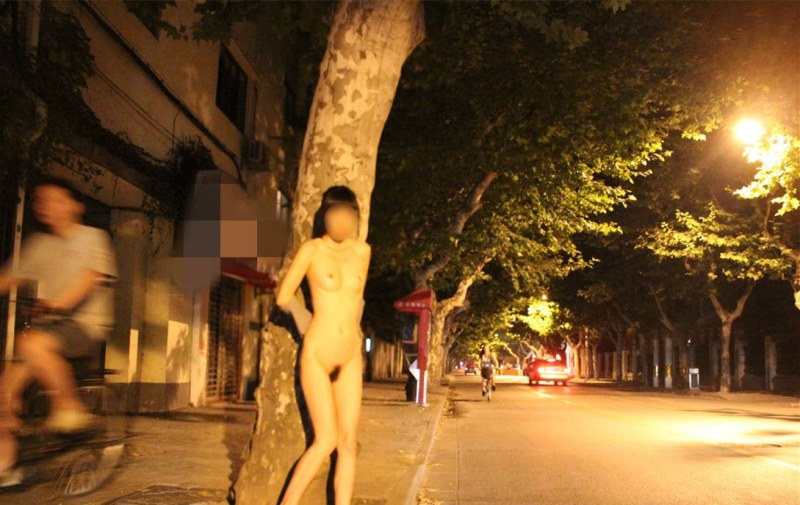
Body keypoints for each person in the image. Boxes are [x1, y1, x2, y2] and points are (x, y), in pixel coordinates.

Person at [0, 176, 118, 487]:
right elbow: (9, 278)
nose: (46, 206)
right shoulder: (39, 245)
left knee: (31, 342)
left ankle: (70, 410)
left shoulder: (93, 238)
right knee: (4, 392)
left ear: (75, 205)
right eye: (41, 200)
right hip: (48, 331)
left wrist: (56, 304)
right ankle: (4, 467)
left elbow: (89, 279)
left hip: (84, 325)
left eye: (55, 199)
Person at [275, 185, 371, 505]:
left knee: (348, 443)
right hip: (317, 353)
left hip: (350, 355)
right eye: (335, 214)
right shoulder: (312, 250)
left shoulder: (363, 252)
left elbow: (357, 299)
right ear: (324, 217)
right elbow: (283, 297)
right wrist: (308, 326)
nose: (342, 221)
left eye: (348, 215)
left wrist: (354, 328)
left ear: (355, 217)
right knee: (326, 440)